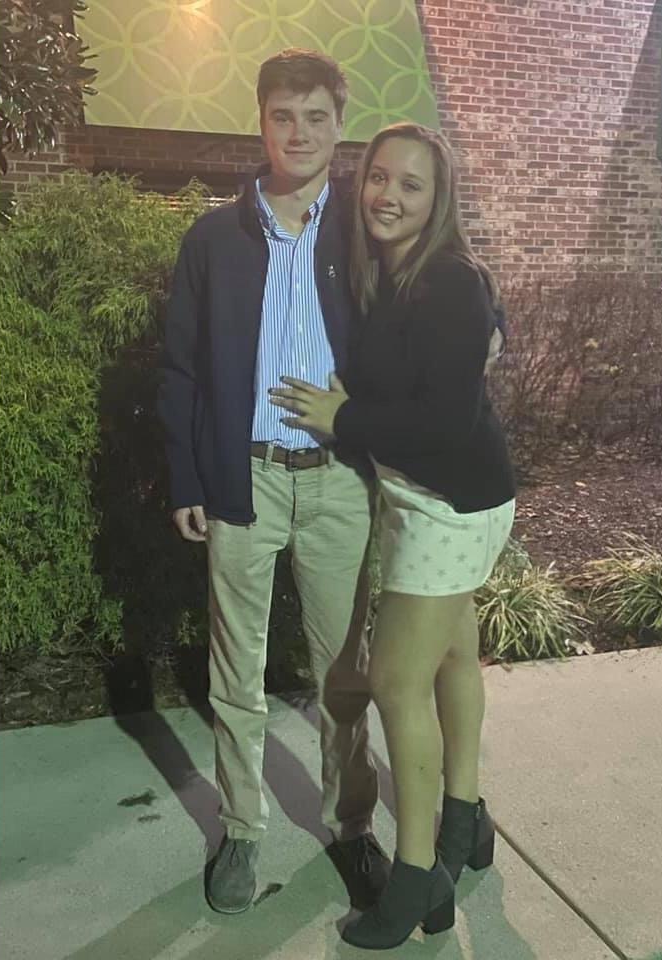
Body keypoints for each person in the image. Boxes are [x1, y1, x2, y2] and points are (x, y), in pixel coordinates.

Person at [269, 122, 517, 949]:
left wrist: (344, 417)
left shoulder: (445, 279)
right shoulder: (397, 268)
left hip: (448, 505)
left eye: (412, 185)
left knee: (394, 682)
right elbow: (461, 342)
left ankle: (417, 877)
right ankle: (465, 822)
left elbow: (443, 422)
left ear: (438, 199)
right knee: (450, 660)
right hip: (438, 497)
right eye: (379, 177)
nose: (389, 196)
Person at [157, 49, 388, 915]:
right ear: (260, 122)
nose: (300, 133)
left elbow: (442, 286)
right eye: (283, 116)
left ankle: (351, 827)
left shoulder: (364, 228)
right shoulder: (214, 240)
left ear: (340, 124)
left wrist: (491, 325)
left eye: (316, 116)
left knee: (343, 675)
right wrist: (188, 475)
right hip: (242, 479)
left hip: (338, 483)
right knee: (236, 673)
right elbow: (180, 369)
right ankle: (244, 829)